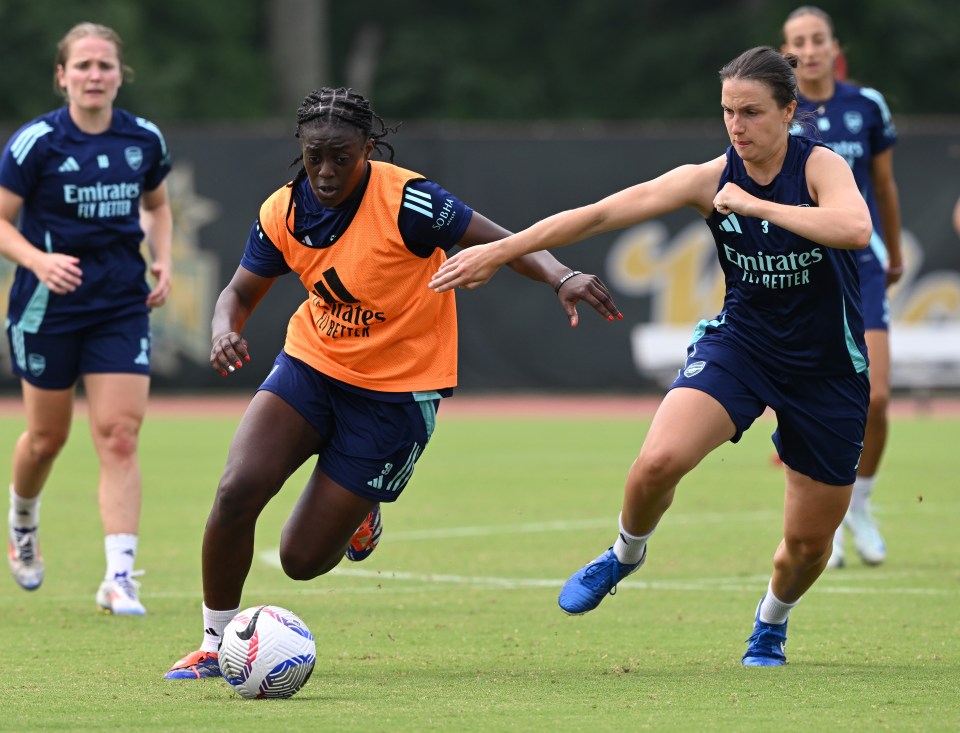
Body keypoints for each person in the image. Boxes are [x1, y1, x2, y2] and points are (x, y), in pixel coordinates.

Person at [431, 47, 873, 667]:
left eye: (752, 112)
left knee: (805, 545)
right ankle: (624, 554)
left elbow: (854, 228)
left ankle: (771, 622)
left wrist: (757, 207)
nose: (737, 127)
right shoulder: (709, 177)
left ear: (789, 111)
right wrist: (500, 252)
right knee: (657, 461)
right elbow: (601, 213)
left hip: (827, 368)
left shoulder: (819, 167)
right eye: (727, 112)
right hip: (742, 346)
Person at [163, 86, 620, 679]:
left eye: (341, 157)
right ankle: (213, 642)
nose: (326, 171)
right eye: (314, 156)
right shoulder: (282, 210)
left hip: (396, 393)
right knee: (235, 491)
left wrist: (561, 276)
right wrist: (225, 329)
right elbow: (238, 292)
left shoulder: (410, 200)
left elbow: (501, 241)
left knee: (301, 560)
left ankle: (361, 513)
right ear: (300, 149)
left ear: (368, 149)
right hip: (312, 364)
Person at [0, 23, 172, 615]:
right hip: (48, 307)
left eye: (105, 65)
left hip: (121, 303)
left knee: (120, 436)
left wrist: (165, 260)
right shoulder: (36, 144)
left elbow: (157, 205)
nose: (94, 75)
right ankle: (22, 520)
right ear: (62, 76)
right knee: (48, 438)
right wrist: (37, 260)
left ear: (121, 74)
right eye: (83, 66)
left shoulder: (144, 140)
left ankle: (119, 577)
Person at [781, 5, 903, 569]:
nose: (809, 50)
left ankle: (861, 506)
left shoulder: (866, 105)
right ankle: (816, 525)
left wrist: (894, 251)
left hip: (861, 262)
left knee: (876, 397)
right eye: (798, 42)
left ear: (834, 46)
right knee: (802, 401)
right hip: (800, 269)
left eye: (817, 39)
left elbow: (883, 185)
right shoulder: (777, 112)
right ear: (786, 52)